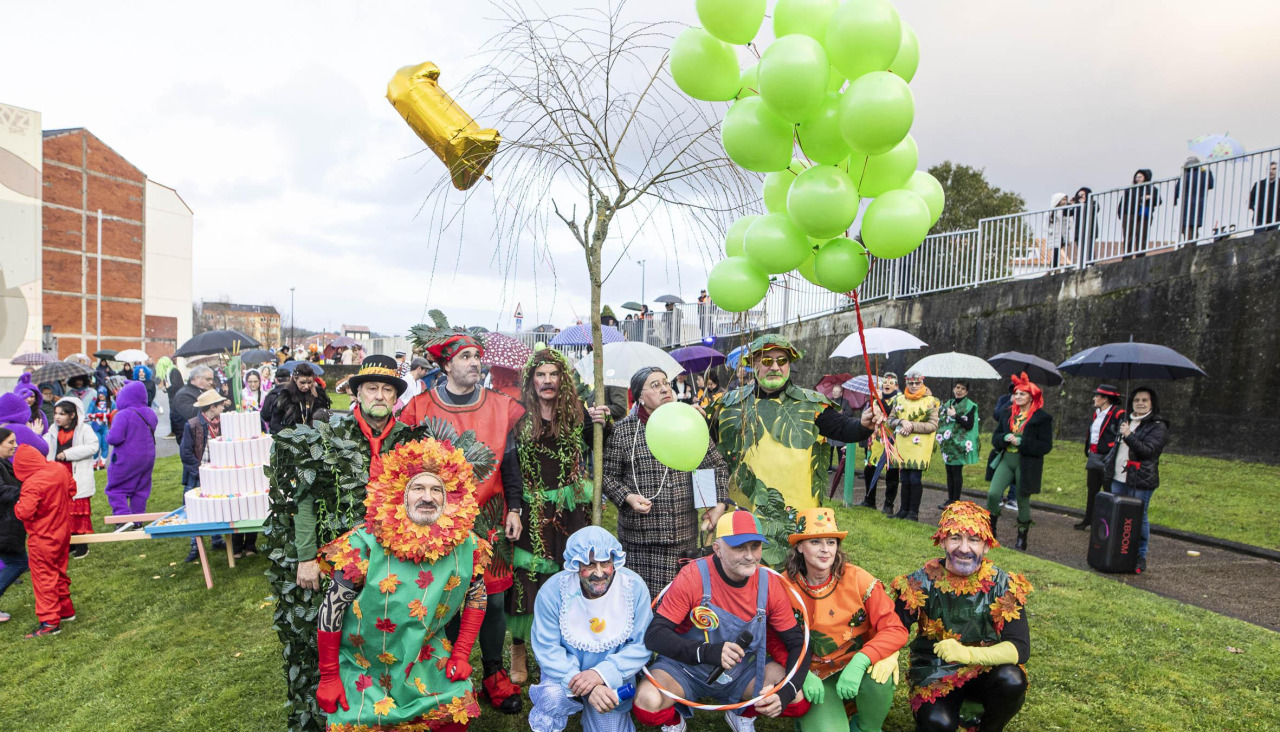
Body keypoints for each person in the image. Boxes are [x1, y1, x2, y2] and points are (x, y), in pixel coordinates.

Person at [266, 354, 418, 731]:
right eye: (372, 388)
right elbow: (303, 498)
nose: (380, 396)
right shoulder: (328, 436)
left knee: (385, 639)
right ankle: (325, 714)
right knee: (327, 634)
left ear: (396, 396)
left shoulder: (412, 440)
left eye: (387, 389)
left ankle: (384, 711)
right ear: (357, 393)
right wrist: (305, 557)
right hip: (337, 558)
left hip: (391, 559)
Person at [313, 438, 490, 731]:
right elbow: (332, 605)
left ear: (450, 498)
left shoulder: (468, 545)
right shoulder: (363, 543)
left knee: (456, 704)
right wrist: (329, 675)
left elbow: (477, 597)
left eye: (437, 489)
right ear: (399, 494)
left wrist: (460, 653)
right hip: (363, 663)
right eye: (418, 488)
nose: (428, 497)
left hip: (426, 654)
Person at [397, 332, 527, 714]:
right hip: (437, 520)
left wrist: (515, 508)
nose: (475, 362)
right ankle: (451, 671)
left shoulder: (502, 407)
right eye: (466, 356)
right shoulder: (420, 408)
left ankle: (493, 672)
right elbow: (405, 467)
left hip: (490, 517)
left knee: (495, 600)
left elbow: (510, 465)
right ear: (446, 365)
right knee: (445, 599)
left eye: (477, 356)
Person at [634, 510, 813, 732]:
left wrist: (786, 692)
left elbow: (798, 642)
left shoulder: (768, 583)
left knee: (796, 700)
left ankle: (741, 711)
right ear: (718, 549)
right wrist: (707, 651)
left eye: (755, 546)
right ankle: (673, 721)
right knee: (646, 702)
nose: (750, 556)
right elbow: (655, 636)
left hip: (743, 670)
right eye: (739, 547)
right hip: (684, 668)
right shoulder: (693, 576)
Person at [506, 349, 610, 685]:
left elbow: (596, 448)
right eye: (541, 375)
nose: (547, 381)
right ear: (531, 380)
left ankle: (562, 646)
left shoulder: (575, 415)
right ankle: (519, 650)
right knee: (528, 576)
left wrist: (601, 423)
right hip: (533, 508)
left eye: (553, 375)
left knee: (569, 575)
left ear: (562, 380)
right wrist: (516, 508)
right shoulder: (519, 417)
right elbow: (512, 468)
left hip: (569, 506)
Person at [890, 502, 1033, 732]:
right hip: (935, 670)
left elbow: (1020, 648)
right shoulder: (920, 583)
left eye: (974, 540)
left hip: (985, 671)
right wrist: (887, 656)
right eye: (955, 538)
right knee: (938, 724)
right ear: (943, 541)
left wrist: (966, 653)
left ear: (986, 546)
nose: (964, 549)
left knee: (1012, 679)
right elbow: (892, 627)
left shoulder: (1004, 585)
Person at [710, 335, 876, 522]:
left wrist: (862, 425)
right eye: (766, 360)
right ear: (753, 364)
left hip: (796, 514)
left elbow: (842, 427)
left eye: (782, 361)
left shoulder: (810, 403)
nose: (775, 367)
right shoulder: (729, 405)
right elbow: (708, 455)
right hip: (743, 512)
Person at [603, 366, 730, 600]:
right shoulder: (624, 432)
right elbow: (607, 477)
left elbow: (716, 466)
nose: (664, 389)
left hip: (682, 537)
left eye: (665, 383)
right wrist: (628, 497)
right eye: (655, 385)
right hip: (640, 542)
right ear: (640, 396)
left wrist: (718, 504)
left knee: (682, 607)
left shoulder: (688, 423)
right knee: (643, 607)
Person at [777, 508, 907, 732]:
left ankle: (866, 727)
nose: (825, 549)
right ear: (799, 546)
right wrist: (801, 674)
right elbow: (774, 639)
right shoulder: (782, 586)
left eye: (831, 542)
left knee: (879, 680)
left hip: (858, 667)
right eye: (815, 542)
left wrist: (862, 660)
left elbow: (894, 629)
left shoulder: (858, 579)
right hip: (816, 673)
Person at [528, 527, 653, 732]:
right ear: (575, 565)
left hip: (612, 679)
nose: (598, 573)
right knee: (552, 697)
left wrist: (601, 675)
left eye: (605, 563)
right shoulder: (552, 592)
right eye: (589, 564)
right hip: (565, 675)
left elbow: (641, 644)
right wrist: (585, 684)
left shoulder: (633, 587)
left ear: (615, 561)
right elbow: (547, 647)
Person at [1104, 387, 1169, 575]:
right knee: (1117, 516)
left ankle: (1139, 556)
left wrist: (1129, 435)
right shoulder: (1126, 421)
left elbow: (1148, 451)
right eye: (1136, 400)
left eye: (1145, 400)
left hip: (1140, 480)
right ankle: (1117, 553)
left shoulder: (1158, 425)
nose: (1140, 403)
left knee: (1139, 518)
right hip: (1119, 476)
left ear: (1152, 403)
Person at [12, 444, 76, 637]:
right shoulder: (58, 469)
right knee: (58, 571)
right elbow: (72, 489)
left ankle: (49, 623)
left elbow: (24, 512)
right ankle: (66, 610)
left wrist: (17, 505)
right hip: (62, 531)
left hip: (43, 537)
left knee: (44, 578)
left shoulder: (31, 484)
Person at [985, 373, 1054, 550]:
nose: (1017, 397)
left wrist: (1024, 442)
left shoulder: (1042, 418)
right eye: (1016, 394)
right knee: (993, 493)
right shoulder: (1007, 413)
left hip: (1026, 463)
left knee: (1022, 499)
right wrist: (1004, 437)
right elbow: (995, 438)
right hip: (1006, 459)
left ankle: (1022, 536)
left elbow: (1046, 446)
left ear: (1032, 396)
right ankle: (991, 532)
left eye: (1022, 394)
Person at [46, 396, 98, 559]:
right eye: (56, 413)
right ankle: (70, 543)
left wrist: (67, 454)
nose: (57, 417)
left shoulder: (84, 429)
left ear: (72, 415)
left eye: (62, 414)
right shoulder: (53, 431)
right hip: (59, 476)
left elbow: (93, 447)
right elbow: (45, 446)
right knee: (63, 511)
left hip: (77, 475)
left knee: (78, 511)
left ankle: (82, 545)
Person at [180, 390, 229, 561]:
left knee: (215, 506)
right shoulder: (192, 425)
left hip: (217, 472)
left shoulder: (223, 423)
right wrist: (200, 471)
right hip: (198, 475)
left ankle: (216, 539)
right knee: (195, 509)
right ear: (213, 407)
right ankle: (195, 545)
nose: (224, 407)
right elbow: (186, 453)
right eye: (221, 404)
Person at [886, 370, 940, 522]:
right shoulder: (899, 400)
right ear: (906, 383)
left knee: (915, 478)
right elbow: (889, 421)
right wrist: (901, 422)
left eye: (917, 383)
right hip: (903, 444)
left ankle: (913, 512)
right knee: (904, 477)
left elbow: (933, 425)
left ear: (922, 383)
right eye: (911, 383)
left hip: (919, 445)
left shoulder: (930, 401)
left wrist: (912, 426)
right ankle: (903, 510)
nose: (914, 386)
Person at [104, 381, 158, 527]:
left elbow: (115, 438)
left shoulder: (123, 415)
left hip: (127, 458)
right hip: (147, 457)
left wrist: (108, 433)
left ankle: (122, 518)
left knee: (116, 489)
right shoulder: (150, 412)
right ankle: (137, 520)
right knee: (141, 489)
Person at [1074, 384, 1125, 531]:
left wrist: (1110, 450)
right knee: (1092, 489)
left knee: (1108, 491)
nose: (1094, 398)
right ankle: (1088, 518)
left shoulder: (1118, 414)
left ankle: (1106, 523)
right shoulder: (1097, 413)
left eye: (1097, 396)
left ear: (1105, 399)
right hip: (1094, 456)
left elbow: (1119, 435)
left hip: (1108, 458)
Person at [0, 429, 29, 623]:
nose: (15, 445)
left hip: (7, 524)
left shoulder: (4, 465)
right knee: (17, 562)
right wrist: (27, 492)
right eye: (10, 442)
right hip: (4, 526)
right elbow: (1, 491)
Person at [862, 373, 901, 514]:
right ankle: (869, 499)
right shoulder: (875, 399)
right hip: (876, 440)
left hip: (892, 440)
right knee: (869, 469)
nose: (887, 384)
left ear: (896, 386)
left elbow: (889, 413)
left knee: (892, 473)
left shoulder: (899, 400)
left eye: (891, 383)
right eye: (885, 382)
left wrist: (879, 400)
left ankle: (888, 505)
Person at [938, 380, 980, 509]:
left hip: (959, 443)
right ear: (953, 389)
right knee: (949, 471)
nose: (959, 390)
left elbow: (969, 424)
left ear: (966, 392)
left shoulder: (970, 406)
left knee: (956, 472)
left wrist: (955, 416)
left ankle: (955, 501)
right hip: (948, 443)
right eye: (957, 387)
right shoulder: (949, 403)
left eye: (962, 388)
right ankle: (950, 499)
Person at [268, 363, 332, 434]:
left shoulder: (317, 394)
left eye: (309, 382)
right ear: (295, 379)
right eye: (302, 382)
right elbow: (274, 423)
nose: (306, 386)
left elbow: (323, 416)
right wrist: (290, 435)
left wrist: (317, 397)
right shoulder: (286, 396)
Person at [1118, 168, 1160, 258]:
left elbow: (1158, 201)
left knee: (1141, 237)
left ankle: (1140, 257)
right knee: (1128, 237)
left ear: (1145, 178)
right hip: (1129, 215)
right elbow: (1123, 202)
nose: (1137, 178)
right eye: (1136, 177)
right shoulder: (1130, 189)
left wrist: (1150, 197)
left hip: (1143, 216)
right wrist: (1122, 214)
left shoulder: (1151, 189)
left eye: (1140, 177)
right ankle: (1127, 257)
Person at [1175, 156, 1214, 241]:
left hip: (1186, 203)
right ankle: (1193, 244)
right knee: (1195, 225)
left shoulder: (1185, 176)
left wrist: (1175, 201)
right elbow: (1211, 185)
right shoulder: (1203, 174)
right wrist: (1209, 171)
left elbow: (1177, 190)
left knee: (1186, 225)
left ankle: (1188, 245)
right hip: (1199, 203)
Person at [172, 365, 214, 431]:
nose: (211, 382)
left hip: (201, 432)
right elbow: (193, 415)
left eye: (212, 379)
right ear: (196, 378)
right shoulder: (183, 395)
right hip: (190, 436)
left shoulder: (202, 390)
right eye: (208, 379)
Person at [85, 387, 115, 469]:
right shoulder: (94, 402)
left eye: (102, 393)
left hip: (106, 427)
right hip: (96, 427)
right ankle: (94, 463)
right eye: (99, 393)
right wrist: (95, 416)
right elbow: (88, 414)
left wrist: (107, 416)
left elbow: (115, 414)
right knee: (96, 445)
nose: (101, 395)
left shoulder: (111, 403)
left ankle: (102, 463)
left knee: (105, 445)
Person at [1248, 161, 1279, 232]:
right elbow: (1250, 199)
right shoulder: (1259, 184)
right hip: (1259, 217)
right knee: (1258, 238)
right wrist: (1254, 208)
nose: (1271, 171)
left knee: (1272, 239)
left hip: (1275, 217)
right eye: (1269, 169)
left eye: (1274, 169)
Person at [1069, 186, 1098, 262]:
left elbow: (1097, 208)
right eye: (1079, 195)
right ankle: (1082, 264)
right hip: (1079, 232)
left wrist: (1087, 202)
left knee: (1089, 248)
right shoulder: (1077, 207)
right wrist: (1070, 204)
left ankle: (1090, 263)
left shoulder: (1093, 204)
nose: (1081, 197)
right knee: (1081, 249)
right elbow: (1067, 213)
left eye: (1083, 195)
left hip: (1090, 230)